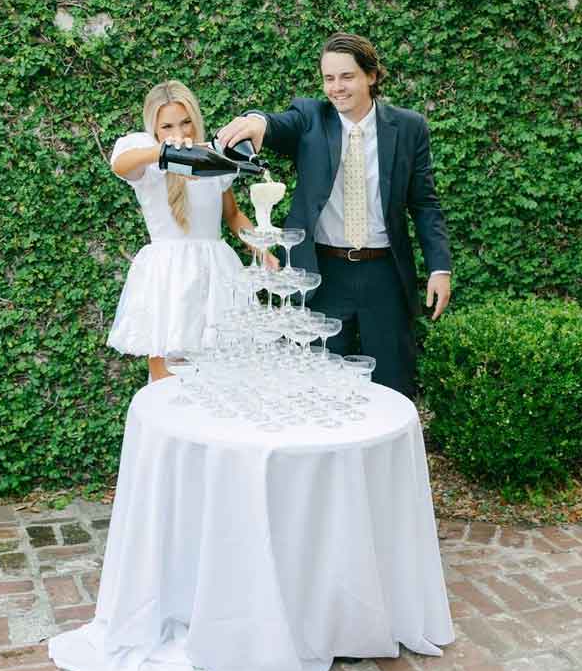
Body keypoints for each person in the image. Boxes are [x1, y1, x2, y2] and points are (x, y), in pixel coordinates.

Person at [217, 32, 451, 399]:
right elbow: (275, 124)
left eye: (347, 77)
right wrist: (257, 122)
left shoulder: (408, 128)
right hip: (321, 275)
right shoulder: (311, 119)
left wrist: (440, 267)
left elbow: (424, 203)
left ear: (371, 76)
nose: (336, 88)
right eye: (329, 78)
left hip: (384, 274)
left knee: (391, 389)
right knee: (316, 388)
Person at [108, 80, 275, 382]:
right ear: (154, 130)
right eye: (167, 126)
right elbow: (120, 165)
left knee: (224, 369)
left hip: (218, 272)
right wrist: (163, 151)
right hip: (168, 274)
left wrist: (261, 247)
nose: (179, 133)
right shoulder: (146, 159)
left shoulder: (213, 159)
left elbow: (234, 215)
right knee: (167, 374)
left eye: (186, 123)